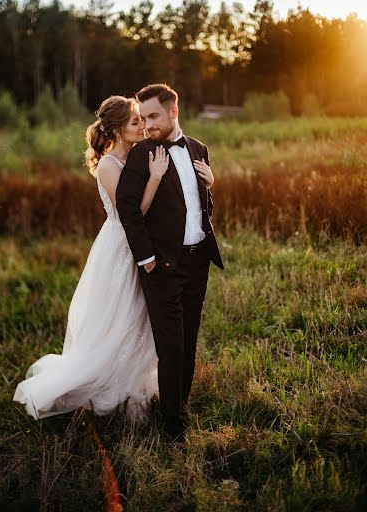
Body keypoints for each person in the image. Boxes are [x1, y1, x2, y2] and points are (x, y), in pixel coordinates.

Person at [13, 95, 169, 420]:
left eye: (142, 119)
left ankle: (134, 384)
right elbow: (131, 215)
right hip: (120, 247)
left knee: (139, 316)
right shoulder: (110, 166)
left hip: (140, 244)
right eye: (135, 121)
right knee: (119, 317)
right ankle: (108, 390)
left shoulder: (137, 155)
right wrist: (154, 178)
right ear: (117, 128)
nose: (142, 125)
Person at [116, 83, 224, 444]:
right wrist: (146, 259)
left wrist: (211, 185)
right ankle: (173, 429)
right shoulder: (141, 154)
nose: (147, 125)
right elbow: (128, 210)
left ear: (173, 112)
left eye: (154, 116)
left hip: (197, 262)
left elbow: (197, 207)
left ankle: (181, 406)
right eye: (143, 118)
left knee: (189, 338)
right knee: (171, 346)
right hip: (161, 267)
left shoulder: (198, 149)